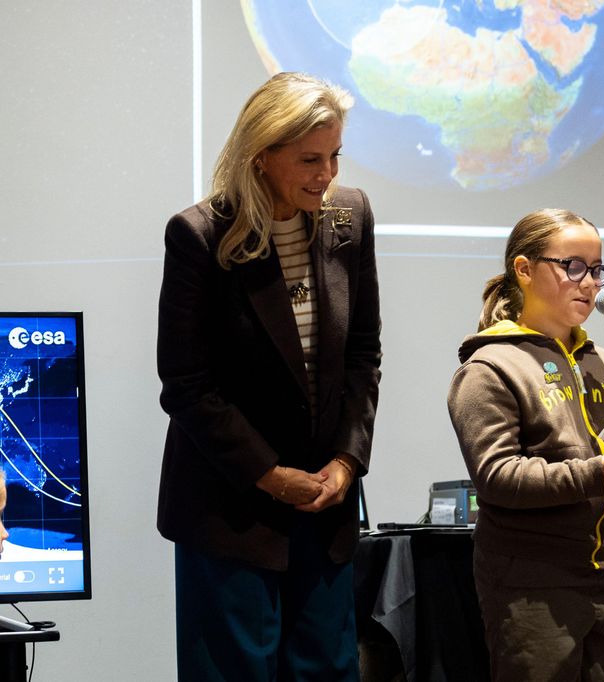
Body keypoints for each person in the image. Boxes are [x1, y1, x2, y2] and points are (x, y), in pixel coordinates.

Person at [156, 72, 382, 681]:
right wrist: (270, 476)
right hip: (230, 506)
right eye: (310, 159)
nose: (327, 174)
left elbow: (364, 354)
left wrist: (346, 462)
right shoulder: (199, 235)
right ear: (261, 157)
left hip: (325, 504)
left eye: (334, 155)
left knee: (327, 669)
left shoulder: (350, 218)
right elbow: (185, 383)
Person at [447, 208, 604, 682]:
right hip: (531, 584)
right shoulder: (489, 367)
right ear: (524, 271)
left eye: (596, 269)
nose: (589, 283)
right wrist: (600, 473)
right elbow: (498, 478)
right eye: (572, 266)